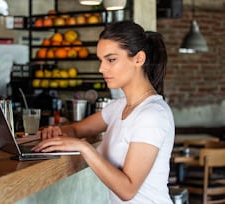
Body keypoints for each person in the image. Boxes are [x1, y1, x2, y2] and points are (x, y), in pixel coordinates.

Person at [32, 20, 175, 204]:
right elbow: (76, 130)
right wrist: (57, 133)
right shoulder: (119, 107)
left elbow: (127, 190)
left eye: (111, 59)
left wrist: (84, 148)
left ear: (139, 59)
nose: (101, 68)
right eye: (101, 60)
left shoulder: (152, 115)